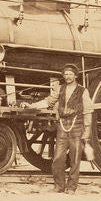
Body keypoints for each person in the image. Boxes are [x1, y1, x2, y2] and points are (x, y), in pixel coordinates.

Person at [30, 63, 92, 193]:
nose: (68, 77)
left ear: (75, 76)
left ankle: (71, 187)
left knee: (75, 159)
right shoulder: (59, 89)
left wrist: (87, 131)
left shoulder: (83, 91)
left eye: (70, 74)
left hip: (77, 126)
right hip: (62, 126)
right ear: (63, 76)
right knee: (58, 158)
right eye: (66, 74)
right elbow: (48, 102)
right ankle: (59, 186)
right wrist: (32, 106)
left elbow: (87, 111)